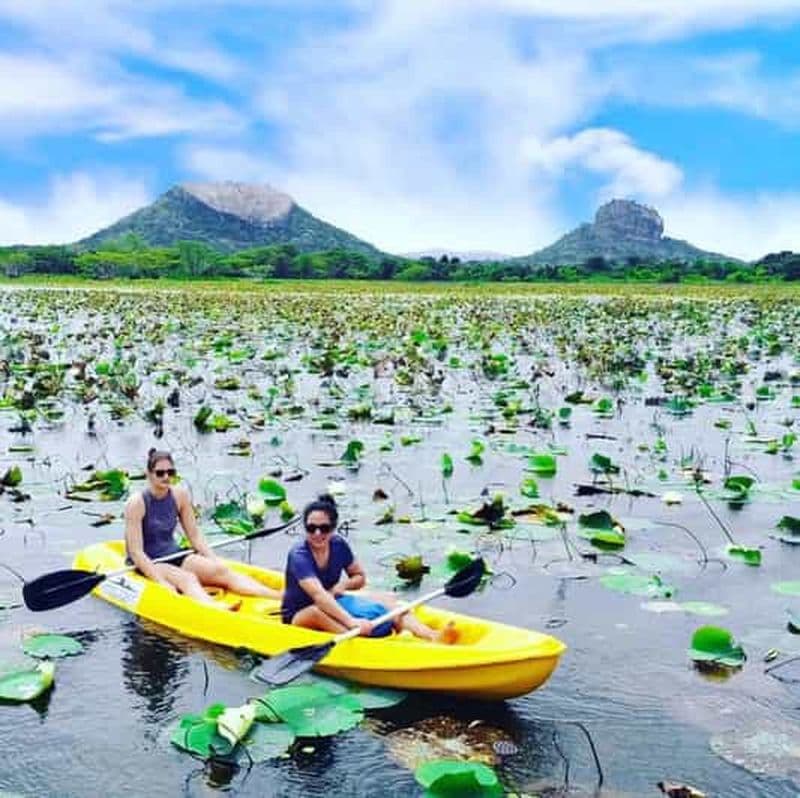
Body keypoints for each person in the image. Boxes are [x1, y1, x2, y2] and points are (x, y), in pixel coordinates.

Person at [281, 493, 456, 641]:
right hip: (300, 614)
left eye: (324, 528)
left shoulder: (338, 544)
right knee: (315, 612)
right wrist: (352, 622)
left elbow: (359, 577)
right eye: (311, 528)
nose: (317, 534)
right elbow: (319, 597)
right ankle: (358, 640)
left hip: (333, 599)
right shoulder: (299, 555)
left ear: (333, 528)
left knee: (390, 601)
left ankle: (431, 635)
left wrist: (343, 586)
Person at [125, 448, 281, 608]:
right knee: (187, 579)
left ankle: (278, 596)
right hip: (151, 560)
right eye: (160, 473)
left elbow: (194, 536)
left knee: (222, 572)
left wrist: (214, 560)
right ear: (149, 474)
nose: (166, 477)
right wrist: (160, 580)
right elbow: (136, 552)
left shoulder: (180, 495)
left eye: (170, 472)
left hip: (174, 554)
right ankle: (216, 609)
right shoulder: (137, 503)